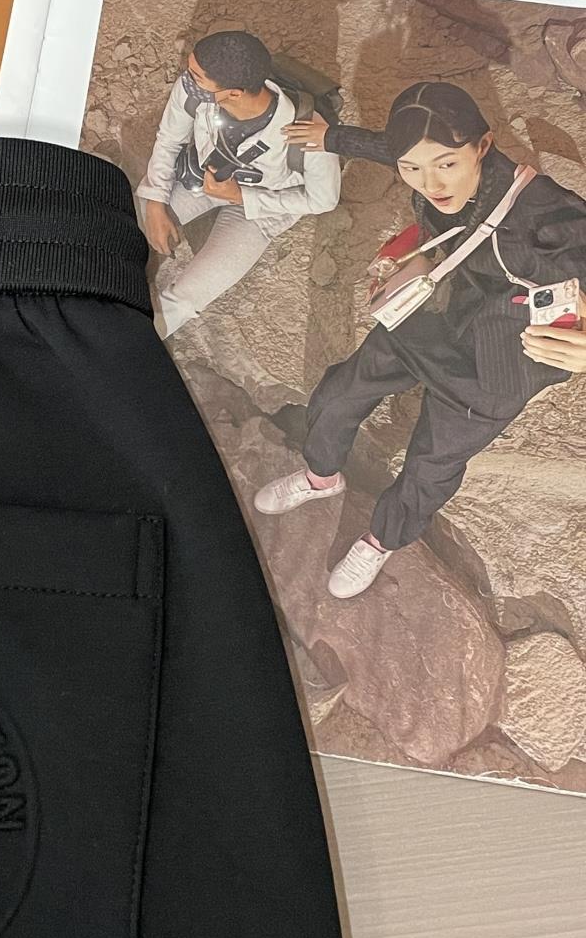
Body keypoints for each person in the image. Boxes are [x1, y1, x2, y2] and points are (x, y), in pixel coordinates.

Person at [253, 81, 586, 599]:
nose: (431, 183)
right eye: (412, 168)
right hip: (436, 313)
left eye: (447, 164)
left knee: (432, 462)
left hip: (499, 362)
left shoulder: (544, 210)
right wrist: (331, 137)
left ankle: (381, 539)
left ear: (483, 144)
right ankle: (321, 476)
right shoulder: (422, 165)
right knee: (341, 391)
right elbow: (391, 148)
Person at [137, 30, 341, 338]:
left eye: (196, 77)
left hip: (261, 210)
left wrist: (241, 197)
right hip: (201, 180)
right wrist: (155, 203)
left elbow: (323, 200)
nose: (187, 80)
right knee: (123, 227)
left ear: (233, 93)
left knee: (186, 298)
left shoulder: (309, 132)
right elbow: (169, 140)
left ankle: (121, 347)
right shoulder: (193, 93)